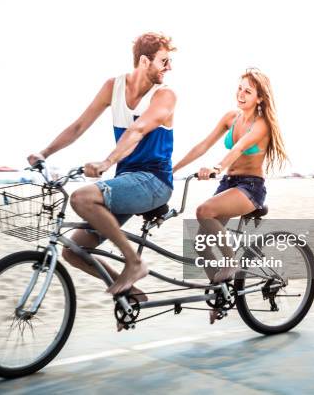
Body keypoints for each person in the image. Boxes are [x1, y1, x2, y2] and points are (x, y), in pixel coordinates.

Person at [28, 32, 177, 300]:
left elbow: (139, 129)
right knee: (73, 250)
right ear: (144, 61)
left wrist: (108, 161)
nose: (170, 68)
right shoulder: (114, 87)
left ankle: (134, 263)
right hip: (127, 182)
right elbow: (78, 126)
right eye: (164, 61)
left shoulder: (164, 95)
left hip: (154, 181)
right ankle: (129, 293)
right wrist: (45, 152)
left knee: (82, 198)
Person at [172, 68, 288, 321]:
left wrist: (215, 167)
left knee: (203, 211)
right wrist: (172, 170)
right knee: (201, 246)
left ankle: (230, 261)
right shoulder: (230, 118)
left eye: (248, 90)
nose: (241, 93)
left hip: (250, 187)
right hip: (228, 183)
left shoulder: (261, 125)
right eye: (239, 88)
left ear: (259, 98)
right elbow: (202, 145)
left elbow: (237, 149)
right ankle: (221, 295)